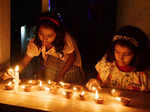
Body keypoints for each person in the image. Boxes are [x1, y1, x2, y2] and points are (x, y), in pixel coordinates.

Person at [2, 14, 85, 84]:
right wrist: (13, 72)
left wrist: (61, 75)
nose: (44, 39)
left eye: (49, 36)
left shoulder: (65, 39)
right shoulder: (36, 42)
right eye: (41, 34)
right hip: (52, 68)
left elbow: (72, 57)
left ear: (57, 34)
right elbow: (24, 62)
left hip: (71, 67)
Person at [86, 25, 150, 91]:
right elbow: (99, 81)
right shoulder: (107, 67)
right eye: (117, 52)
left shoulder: (142, 76)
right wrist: (95, 82)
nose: (120, 57)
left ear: (137, 55)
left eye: (127, 54)